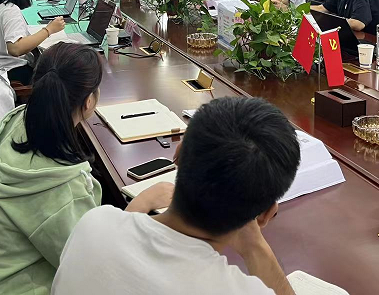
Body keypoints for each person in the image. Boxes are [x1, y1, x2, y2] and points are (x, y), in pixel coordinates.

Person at [0, 42, 173, 295]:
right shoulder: (59, 188)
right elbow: (97, 267)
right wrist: (142, 204)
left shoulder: (15, 122)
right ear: (89, 101)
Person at [52, 96, 302, 295]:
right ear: (266, 214)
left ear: (179, 153)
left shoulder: (93, 224)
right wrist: (255, 247)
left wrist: (144, 202)